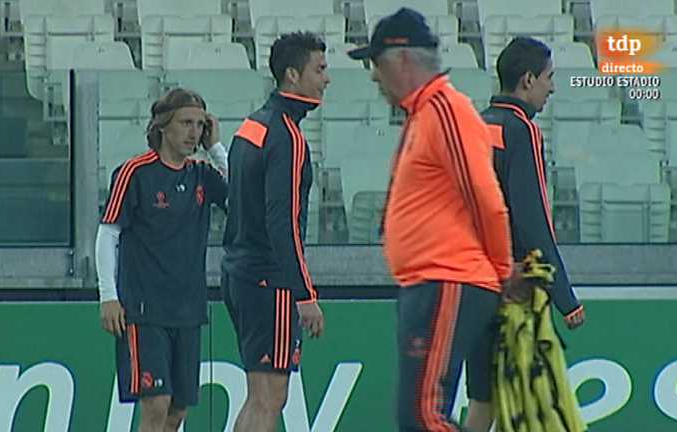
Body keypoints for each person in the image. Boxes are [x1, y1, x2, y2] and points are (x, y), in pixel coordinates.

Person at [348, 8, 515, 432]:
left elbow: (485, 198)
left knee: (422, 416)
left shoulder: (444, 110)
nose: (373, 75)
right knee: (422, 414)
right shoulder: (427, 113)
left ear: (403, 59)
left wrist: (501, 272)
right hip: (434, 281)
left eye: (376, 63)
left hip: (448, 278)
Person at [95, 88, 228, 432]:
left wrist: (216, 147)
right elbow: (108, 233)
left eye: (199, 125)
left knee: (177, 410)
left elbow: (243, 199)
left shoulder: (202, 174)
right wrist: (108, 296)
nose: (193, 133)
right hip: (145, 308)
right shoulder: (134, 173)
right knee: (155, 402)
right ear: (163, 126)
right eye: (185, 123)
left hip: (188, 308)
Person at [473, 37, 586, 429]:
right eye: (549, 78)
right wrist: (565, 298)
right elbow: (531, 218)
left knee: (483, 399)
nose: (552, 88)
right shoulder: (522, 130)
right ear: (527, 80)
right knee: (531, 399)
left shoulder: (477, 124)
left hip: (473, 281)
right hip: (515, 287)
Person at [221, 31, 329, 432]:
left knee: (259, 395)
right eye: (319, 69)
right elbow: (282, 221)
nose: (326, 79)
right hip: (270, 280)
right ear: (292, 75)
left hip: (239, 273)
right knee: (270, 397)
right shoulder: (288, 135)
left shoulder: (252, 124)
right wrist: (304, 294)